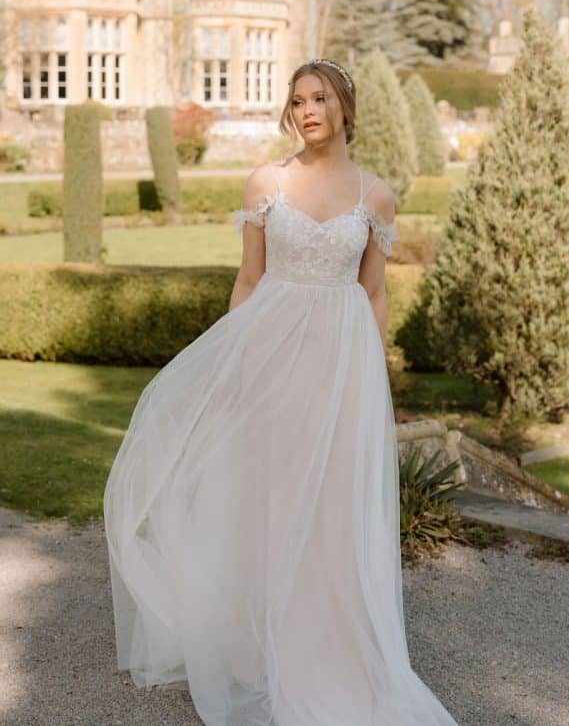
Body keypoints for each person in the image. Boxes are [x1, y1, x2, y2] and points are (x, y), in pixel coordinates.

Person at [103, 58, 460, 726]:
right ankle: (259, 643)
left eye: (319, 98)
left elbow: (374, 291)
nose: (306, 110)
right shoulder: (268, 180)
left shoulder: (374, 195)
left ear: (345, 107)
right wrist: (237, 363)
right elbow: (248, 279)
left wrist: (373, 380)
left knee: (331, 507)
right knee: (268, 496)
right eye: (297, 100)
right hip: (272, 354)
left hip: (342, 364)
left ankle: (331, 650)